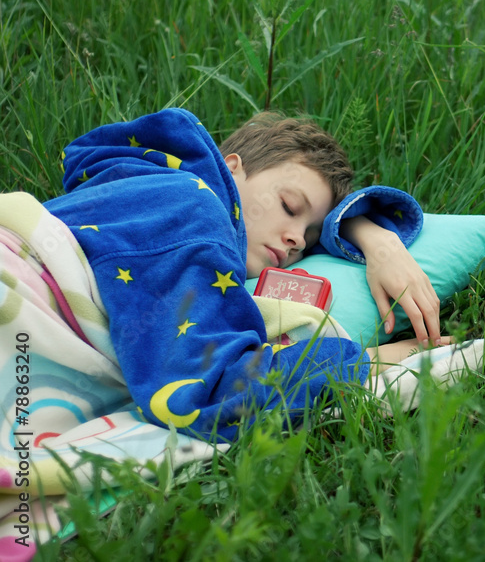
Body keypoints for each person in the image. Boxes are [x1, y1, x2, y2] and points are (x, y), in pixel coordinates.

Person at [40, 107, 445, 442]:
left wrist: (378, 241)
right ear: (232, 169)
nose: (296, 242)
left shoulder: (139, 187)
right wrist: (367, 361)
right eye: (288, 206)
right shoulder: (191, 207)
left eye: (310, 236)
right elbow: (209, 395)